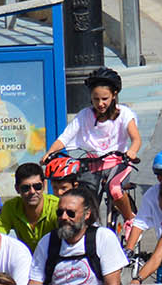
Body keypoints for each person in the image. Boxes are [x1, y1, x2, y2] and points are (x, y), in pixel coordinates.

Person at [40, 69, 138, 227]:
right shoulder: (84, 115)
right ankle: (90, 230)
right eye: (95, 99)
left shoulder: (124, 114)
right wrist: (50, 152)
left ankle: (130, 219)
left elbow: (136, 138)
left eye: (105, 99)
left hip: (118, 162)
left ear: (114, 94)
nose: (100, 104)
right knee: (85, 199)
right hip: (91, 165)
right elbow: (64, 138)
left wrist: (132, 151)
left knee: (114, 188)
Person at [29, 188, 129, 285]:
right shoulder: (47, 242)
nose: (64, 217)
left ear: (87, 214)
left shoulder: (103, 238)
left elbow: (112, 282)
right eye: (60, 213)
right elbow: (35, 281)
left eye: (71, 213)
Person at [0, 165, 57, 249]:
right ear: (17, 189)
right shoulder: (10, 207)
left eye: (37, 186)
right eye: (26, 188)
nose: (32, 192)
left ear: (44, 185)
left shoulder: (57, 207)